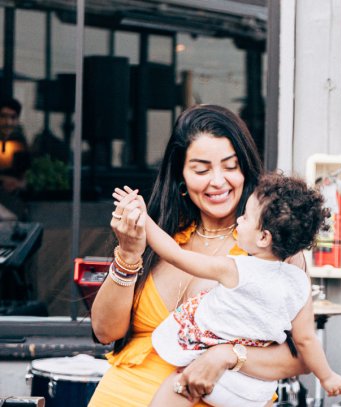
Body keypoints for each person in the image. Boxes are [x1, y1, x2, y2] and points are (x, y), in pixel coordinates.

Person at [90, 105, 308, 406]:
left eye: (230, 166)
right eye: (201, 169)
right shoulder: (161, 232)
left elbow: (301, 359)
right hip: (120, 393)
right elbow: (104, 331)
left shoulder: (271, 249)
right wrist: (128, 254)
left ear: (246, 168)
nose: (217, 181)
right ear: (181, 174)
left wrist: (228, 355)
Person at [112, 172, 341, 407]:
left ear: (264, 237)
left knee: (175, 388)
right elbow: (306, 339)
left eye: (245, 217)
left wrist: (145, 219)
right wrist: (327, 376)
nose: (239, 221)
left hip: (207, 375)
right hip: (252, 390)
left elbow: (175, 255)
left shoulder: (235, 269)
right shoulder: (298, 283)